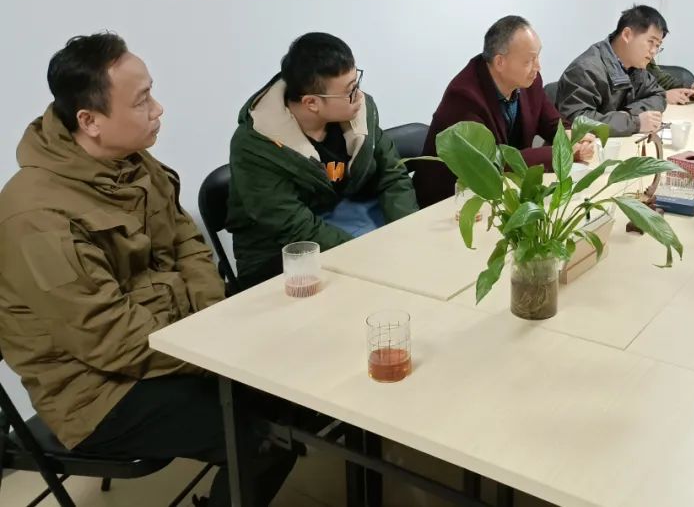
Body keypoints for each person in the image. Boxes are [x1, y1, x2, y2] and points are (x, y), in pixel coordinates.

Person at [0, 33, 295, 507]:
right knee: (264, 439)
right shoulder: (37, 217)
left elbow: (187, 243)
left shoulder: (132, 162)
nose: (158, 109)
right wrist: (213, 349)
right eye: (141, 101)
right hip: (96, 391)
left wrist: (214, 322)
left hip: (175, 341)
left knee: (290, 386)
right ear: (89, 121)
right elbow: (108, 339)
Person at [228, 32, 418, 288]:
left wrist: (407, 231)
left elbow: (392, 174)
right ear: (312, 103)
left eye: (356, 82)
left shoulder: (359, 112)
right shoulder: (255, 146)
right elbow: (294, 227)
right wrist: (368, 257)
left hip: (352, 218)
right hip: (285, 249)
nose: (359, 96)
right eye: (349, 91)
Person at [413, 15, 596, 207]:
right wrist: (561, 152)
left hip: (504, 192)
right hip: (453, 201)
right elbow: (495, 162)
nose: (538, 67)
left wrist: (572, 136)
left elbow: (551, 123)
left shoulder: (529, 82)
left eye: (537, 57)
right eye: (529, 60)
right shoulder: (464, 97)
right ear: (500, 62)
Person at [556, 5, 669, 137]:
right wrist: (634, 123)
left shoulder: (635, 67)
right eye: (651, 42)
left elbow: (658, 95)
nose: (654, 51)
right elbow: (577, 122)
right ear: (627, 35)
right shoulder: (585, 69)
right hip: (579, 147)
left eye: (658, 45)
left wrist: (629, 113)